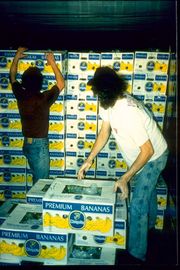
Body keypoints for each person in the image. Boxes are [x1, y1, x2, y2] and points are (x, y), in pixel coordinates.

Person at [77, 66, 169, 263]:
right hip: (146, 154)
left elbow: (148, 151)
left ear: (111, 89)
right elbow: (104, 132)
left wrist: (125, 178)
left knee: (137, 203)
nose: (99, 96)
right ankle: (148, 227)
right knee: (148, 193)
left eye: (101, 92)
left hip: (155, 157)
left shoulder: (127, 111)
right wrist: (89, 159)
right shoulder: (106, 102)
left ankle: (136, 255)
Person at [10, 47, 65, 185]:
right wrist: (52, 62)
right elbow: (61, 84)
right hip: (39, 146)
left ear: (24, 81)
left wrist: (17, 56)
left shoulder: (20, 95)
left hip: (27, 144)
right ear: (40, 82)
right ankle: (36, 206)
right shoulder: (43, 98)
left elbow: (12, 77)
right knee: (41, 183)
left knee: (37, 180)